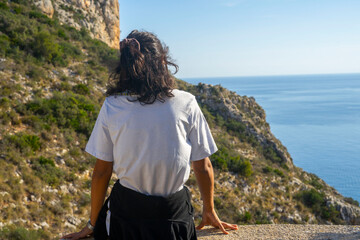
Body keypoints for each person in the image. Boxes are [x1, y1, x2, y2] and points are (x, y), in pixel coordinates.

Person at [61, 30, 238, 240]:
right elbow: (203, 166)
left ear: (126, 66)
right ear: (163, 61)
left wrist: (92, 224)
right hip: (173, 218)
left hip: (125, 218)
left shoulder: (113, 105)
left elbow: (101, 172)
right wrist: (208, 210)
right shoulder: (186, 102)